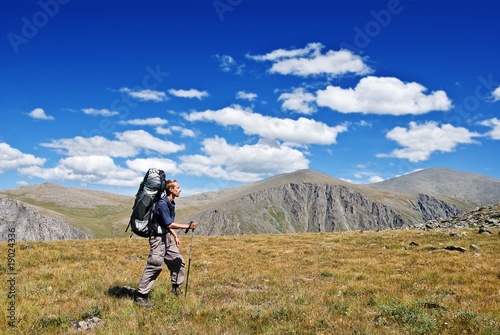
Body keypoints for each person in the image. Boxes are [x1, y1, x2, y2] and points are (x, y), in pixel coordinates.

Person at [135, 179, 198, 307]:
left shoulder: (170, 203)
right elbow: (170, 224)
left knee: (178, 261)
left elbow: (166, 224)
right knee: (155, 265)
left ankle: (175, 288)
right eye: (178, 187)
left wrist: (175, 236)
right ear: (171, 189)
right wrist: (188, 226)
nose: (180, 190)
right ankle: (140, 296)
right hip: (158, 239)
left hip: (166, 237)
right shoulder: (162, 205)